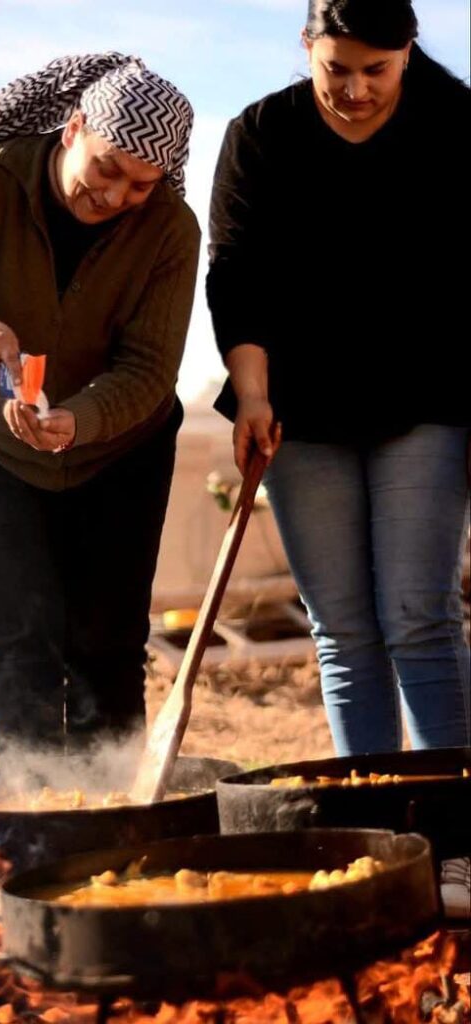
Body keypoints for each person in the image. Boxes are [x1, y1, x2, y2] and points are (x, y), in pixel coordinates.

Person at [0, 53, 200, 756]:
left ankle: (111, 826)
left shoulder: (171, 230)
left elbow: (148, 369)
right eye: (107, 168)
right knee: (23, 633)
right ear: (73, 128)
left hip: (123, 448)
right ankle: (29, 822)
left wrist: (77, 421)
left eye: (141, 185)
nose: (115, 195)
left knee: (108, 640)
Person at [207, 0, 470, 760]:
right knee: (343, 628)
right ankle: (384, 830)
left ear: (409, 53)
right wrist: (251, 393)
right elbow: (235, 274)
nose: (355, 89)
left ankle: (451, 837)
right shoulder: (261, 135)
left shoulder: (457, 125)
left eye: (376, 71)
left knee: (419, 617)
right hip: (300, 410)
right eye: (336, 68)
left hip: (430, 396)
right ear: (307, 44)